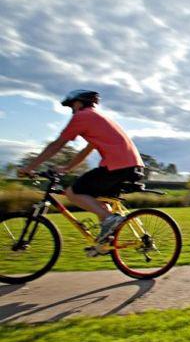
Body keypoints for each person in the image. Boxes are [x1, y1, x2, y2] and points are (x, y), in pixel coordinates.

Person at [18, 90, 144, 245]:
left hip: (117, 166)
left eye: (71, 106)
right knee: (97, 200)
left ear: (78, 103)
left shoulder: (82, 116)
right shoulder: (97, 118)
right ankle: (106, 239)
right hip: (130, 166)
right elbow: (87, 149)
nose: (71, 110)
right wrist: (67, 167)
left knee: (73, 192)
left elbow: (57, 145)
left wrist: (30, 167)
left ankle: (111, 219)